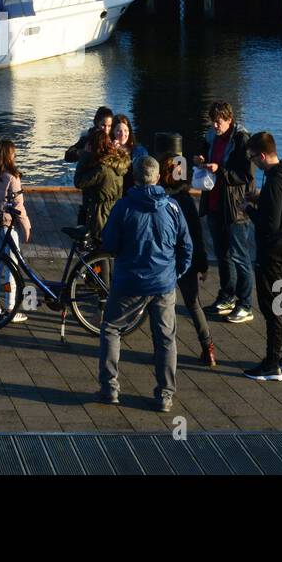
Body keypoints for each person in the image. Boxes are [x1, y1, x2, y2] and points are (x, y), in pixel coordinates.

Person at [97, 156, 193, 411]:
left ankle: (110, 387)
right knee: (165, 339)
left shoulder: (124, 207)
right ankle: (165, 394)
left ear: (134, 178)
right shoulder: (172, 207)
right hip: (163, 283)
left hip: (129, 281)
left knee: (111, 328)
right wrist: (175, 274)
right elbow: (186, 246)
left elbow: (109, 244)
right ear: (158, 177)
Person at [242, 132, 282, 381]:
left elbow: (270, 224)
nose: (253, 162)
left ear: (263, 155)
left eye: (254, 158)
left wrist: (249, 210)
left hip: (272, 252)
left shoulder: (274, 183)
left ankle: (271, 363)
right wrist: (261, 199)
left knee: (272, 307)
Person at [194, 101, 256, 324]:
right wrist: (199, 159)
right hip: (214, 203)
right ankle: (227, 296)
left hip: (235, 207)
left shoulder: (242, 139)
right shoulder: (211, 135)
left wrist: (220, 170)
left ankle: (246, 304)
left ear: (229, 119)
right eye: (213, 120)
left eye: (219, 120)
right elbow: (202, 150)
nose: (215, 124)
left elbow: (246, 175)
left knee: (240, 256)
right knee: (222, 255)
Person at [160, 155, 216, 366]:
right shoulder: (186, 201)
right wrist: (202, 264)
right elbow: (197, 236)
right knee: (193, 304)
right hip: (187, 258)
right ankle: (208, 347)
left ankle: (163, 348)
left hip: (164, 259)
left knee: (156, 303)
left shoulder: (162, 201)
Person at [0, 139, 31, 323]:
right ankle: (10, 308)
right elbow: (19, 206)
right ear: (9, 156)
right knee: (12, 268)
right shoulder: (12, 177)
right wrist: (26, 226)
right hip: (6, 226)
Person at [74, 127, 130, 244]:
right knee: (107, 248)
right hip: (113, 210)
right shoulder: (116, 164)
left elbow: (79, 182)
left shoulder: (102, 169)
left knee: (99, 247)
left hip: (100, 214)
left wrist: (84, 155)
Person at [110, 113, 150, 192]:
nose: (123, 134)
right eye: (118, 130)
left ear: (130, 131)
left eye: (126, 130)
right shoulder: (108, 150)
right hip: (115, 194)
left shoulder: (140, 151)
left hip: (135, 193)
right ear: (113, 132)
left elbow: (147, 174)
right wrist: (112, 152)